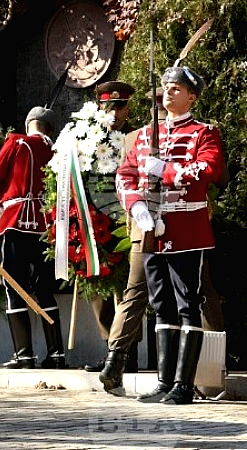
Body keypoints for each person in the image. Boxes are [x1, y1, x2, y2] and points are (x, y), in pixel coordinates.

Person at [116, 66, 224, 405]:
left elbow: (210, 168)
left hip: (187, 229)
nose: (169, 92)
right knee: (161, 305)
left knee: (187, 304)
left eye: (176, 88)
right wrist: (136, 208)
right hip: (152, 230)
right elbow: (125, 174)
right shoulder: (148, 134)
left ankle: (183, 384)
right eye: (166, 87)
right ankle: (165, 382)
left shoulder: (203, 132)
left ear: (192, 95)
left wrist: (168, 170)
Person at [0, 106, 66, 370]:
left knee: (14, 286)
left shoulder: (16, 142)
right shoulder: (59, 151)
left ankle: (24, 355)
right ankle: (56, 355)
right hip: (45, 223)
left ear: (28, 122)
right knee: (44, 288)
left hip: (16, 220)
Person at [85, 80, 142, 375]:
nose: (115, 112)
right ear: (100, 107)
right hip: (95, 219)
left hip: (128, 217)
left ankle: (127, 352)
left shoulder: (137, 136)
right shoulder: (85, 137)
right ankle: (110, 347)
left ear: (128, 108)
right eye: (109, 106)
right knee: (99, 287)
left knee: (128, 286)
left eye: (120, 106)